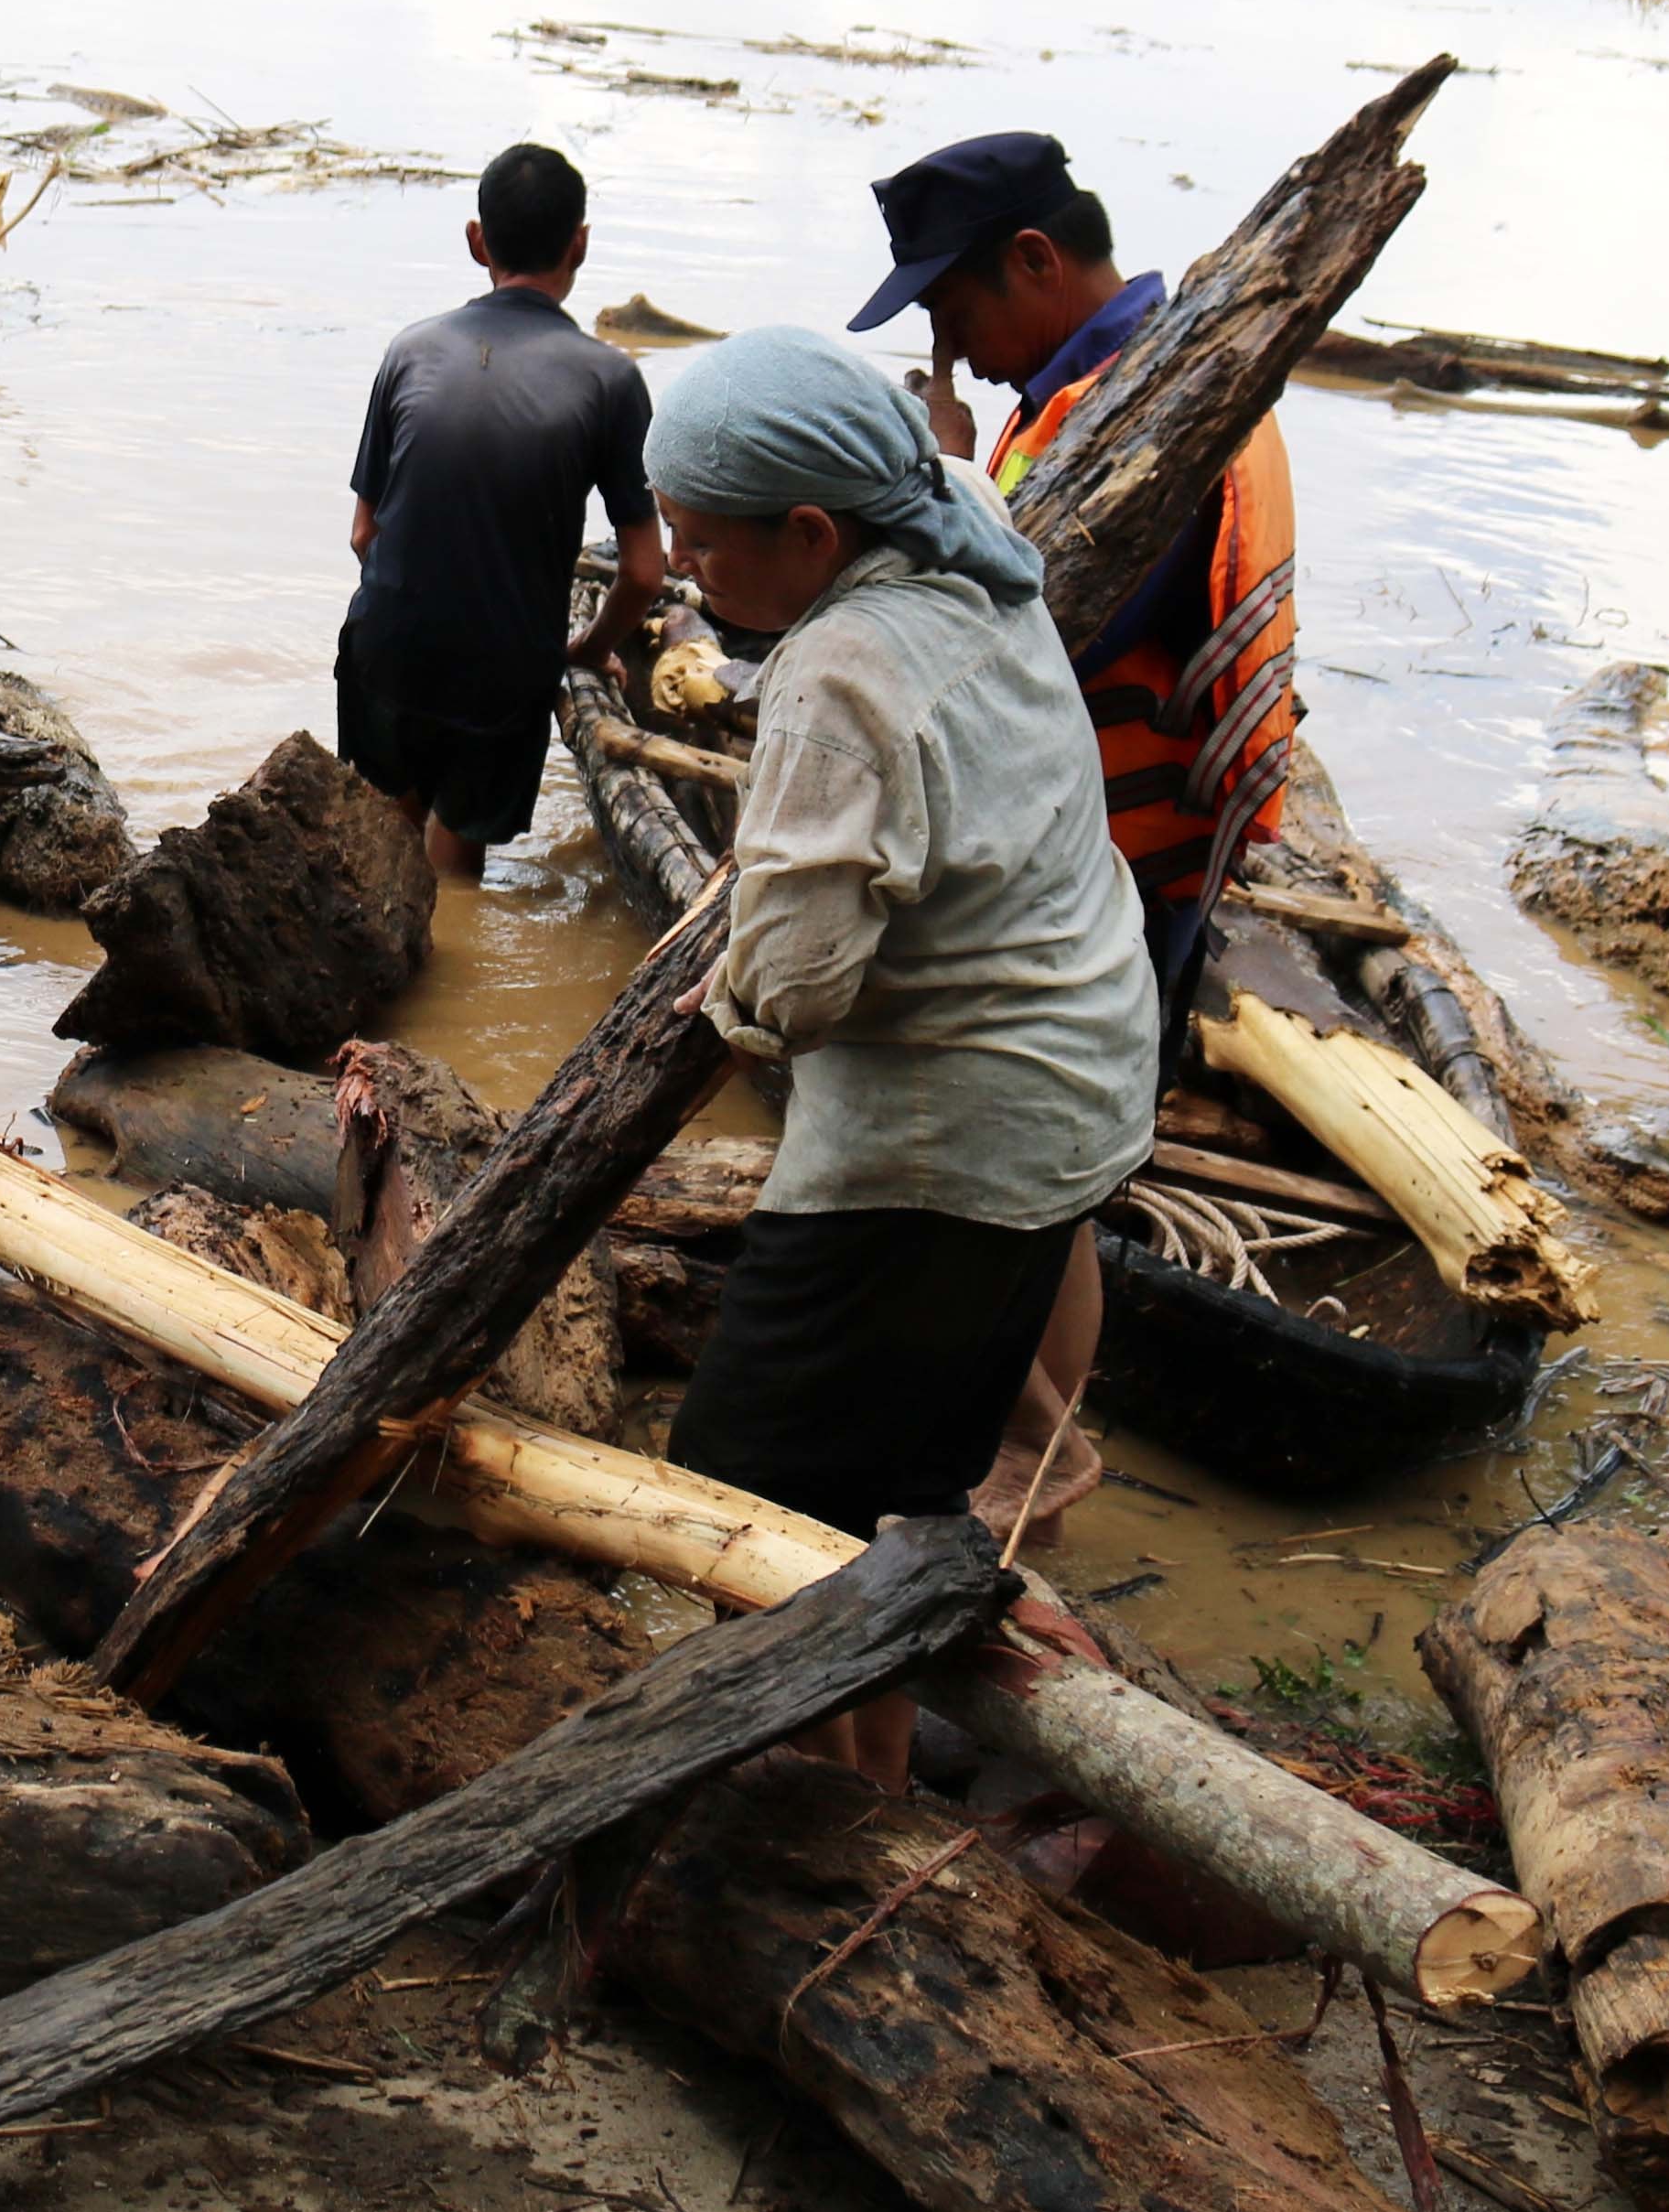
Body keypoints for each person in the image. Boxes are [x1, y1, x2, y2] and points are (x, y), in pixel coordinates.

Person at [646, 329, 1158, 1768]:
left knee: (761, 1495)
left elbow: (799, 982)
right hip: (1091, 1044)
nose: (683, 571)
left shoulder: (837, 674)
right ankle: (983, 1607)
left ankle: (846, 1807)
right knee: (980, 1434)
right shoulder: (952, 504)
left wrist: (729, 1002)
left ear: (814, 533)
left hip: (953, 1130)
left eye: (700, 542)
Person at [850, 131, 1298, 970]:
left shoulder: (1160, 421)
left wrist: (941, 478)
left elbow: (1031, 636)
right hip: (1078, 862)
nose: (951, 352)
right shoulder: (1078, 395)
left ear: (1034, 261)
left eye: (954, 314)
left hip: (1111, 895)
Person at [338, 144, 667, 879]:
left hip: (386, 648)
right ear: (580, 243)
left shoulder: (410, 350)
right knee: (454, 879)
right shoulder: (611, 379)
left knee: (384, 859)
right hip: (504, 667)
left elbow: (364, 533)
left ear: (476, 240)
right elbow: (645, 574)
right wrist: (583, 650)